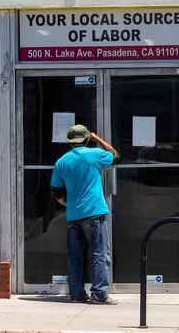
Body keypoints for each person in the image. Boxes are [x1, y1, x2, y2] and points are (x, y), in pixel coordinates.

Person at [50, 124, 119, 304]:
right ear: (87, 139)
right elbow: (115, 155)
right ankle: (99, 295)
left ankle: (77, 295)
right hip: (94, 214)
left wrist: (69, 203)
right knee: (99, 254)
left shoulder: (61, 162)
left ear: (70, 142)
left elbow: (56, 193)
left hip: (74, 216)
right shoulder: (94, 154)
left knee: (75, 257)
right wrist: (98, 139)